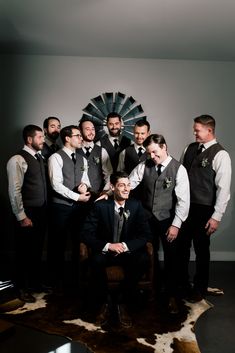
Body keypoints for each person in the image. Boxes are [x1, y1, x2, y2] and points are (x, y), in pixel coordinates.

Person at [80, 171, 152, 328]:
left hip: (127, 252)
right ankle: (104, 303)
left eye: (128, 185)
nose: (126, 189)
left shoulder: (136, 205)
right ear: (112, 187)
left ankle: (121, 301)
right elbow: (85, 233)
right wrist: (108, 246)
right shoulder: (100, 206)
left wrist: (126, 246)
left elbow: (146, 234)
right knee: (95, 260)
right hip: (107, 251)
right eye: (121, 185)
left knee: (143, 259)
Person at [129, 134, 190, 313]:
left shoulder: (179, 169)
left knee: (172, 257)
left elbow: (183, 201)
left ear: (164, 147)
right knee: (149, 255)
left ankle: (172, 295)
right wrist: (109, 193)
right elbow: (128, 183)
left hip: (168, 220)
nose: (152, 157)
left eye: (155, 152)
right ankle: (152, 290)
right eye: (149, 154)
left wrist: (176, 225)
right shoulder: (144, 166)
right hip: (147, 219)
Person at [179, 114, 232, 302]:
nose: (194, 132)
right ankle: (182, 284)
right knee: (181, 247)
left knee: (201, 249)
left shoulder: (220, 154)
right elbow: (180, 175)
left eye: (197, 130)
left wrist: (216, 216)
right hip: (184, 206)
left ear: (209, 130)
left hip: (204, 209)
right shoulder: (189, 148)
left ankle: (199, 288)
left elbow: (223, 189)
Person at [6, 125, 47, 303]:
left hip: (40, 212)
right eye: (39, 137)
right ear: (29, 140)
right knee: (23, 253)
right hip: (27, 213)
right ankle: (20, 288)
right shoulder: (17, 159)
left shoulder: (39, 157)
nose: (43, 140)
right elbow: (14, 190)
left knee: (36, 251)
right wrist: (21, 216)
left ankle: (35, 284)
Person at [47, 125, 91, 292]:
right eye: (78, 135)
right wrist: (76, 197)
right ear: (67, 138)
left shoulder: (82, 159)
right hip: (60, 208)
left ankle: (75, 279)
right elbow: (56, 185)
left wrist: (84, 186)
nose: (81, 138)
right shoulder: (55, 158)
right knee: (57, 244)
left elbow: (85, 179)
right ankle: (55, 281)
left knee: (77, 243)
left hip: (79, 209)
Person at [78, 118, 113, 200]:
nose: (91, 132)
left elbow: (109, 173)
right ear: (80, 131)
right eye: (87, 129)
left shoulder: (102, 151)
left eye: (93, 129)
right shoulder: (74, 151)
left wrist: (105, 190)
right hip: (79, 196)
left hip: (98, 195)